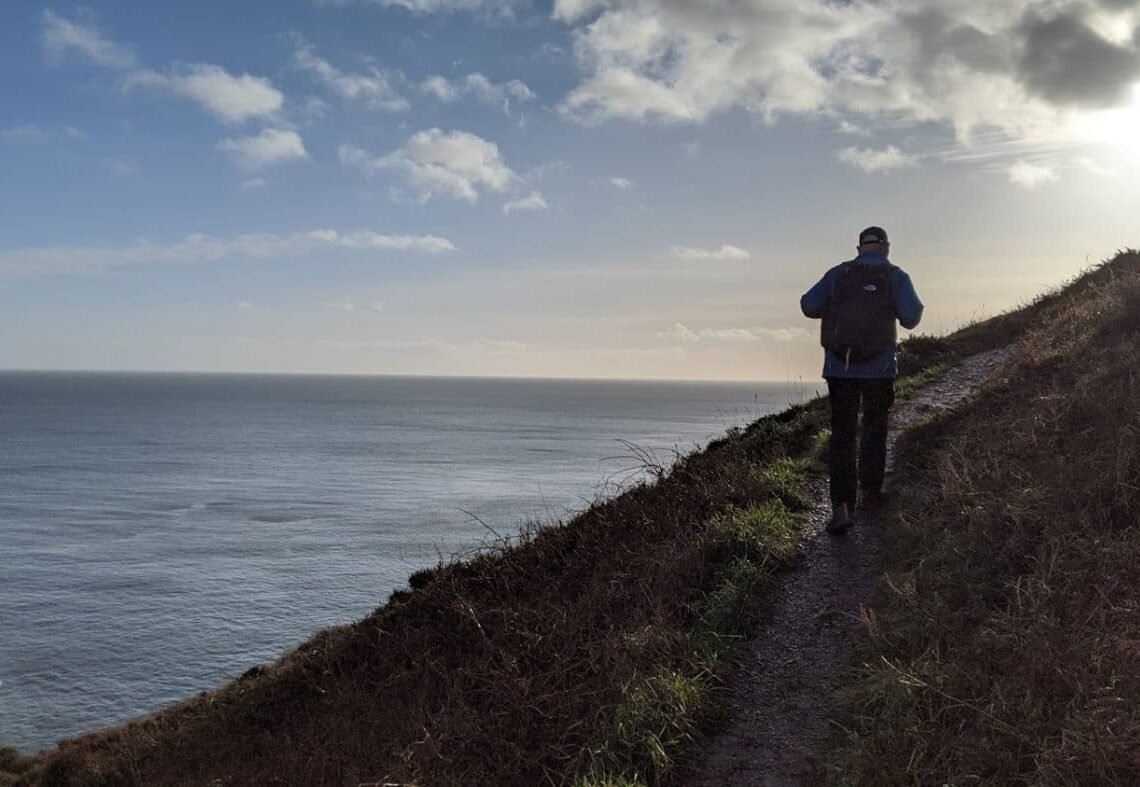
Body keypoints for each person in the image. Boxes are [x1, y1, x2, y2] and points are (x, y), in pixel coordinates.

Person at [800, 226, 924, 534]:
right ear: (885, 247)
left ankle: (842, 506)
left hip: (840, 369)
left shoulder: (838, 275)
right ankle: (869, 493)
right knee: (874, 427)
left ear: (859, 248)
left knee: (842, 437)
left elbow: (808, 305)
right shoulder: (896, 277)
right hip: (879, 369)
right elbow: (911, 317)